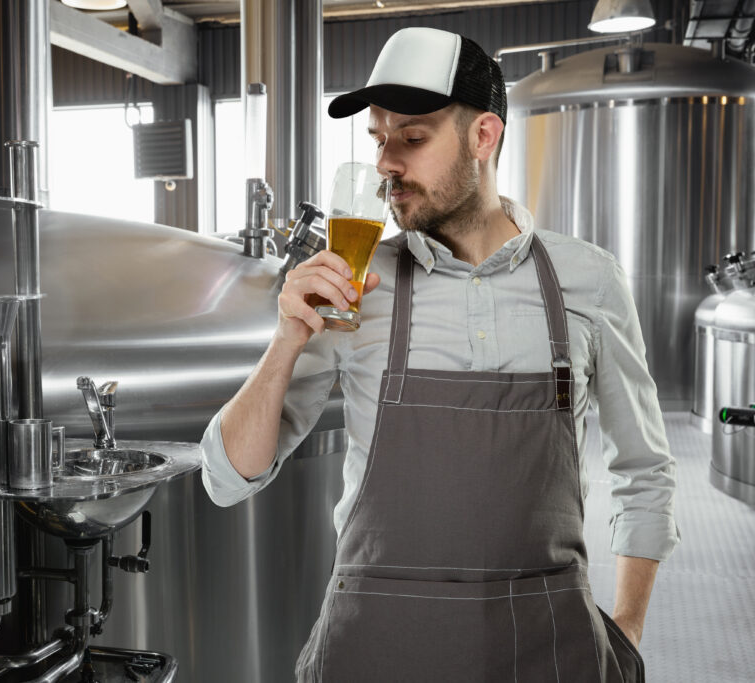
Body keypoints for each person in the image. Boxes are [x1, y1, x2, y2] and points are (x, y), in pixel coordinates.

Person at [200, 26, 679, 682]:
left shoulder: (587, 279)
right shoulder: (354, 284)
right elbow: (228, 478)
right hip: (373, 649)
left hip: (547, 648)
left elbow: (645, 468)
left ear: (484, 136)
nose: (386, 163)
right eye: (378, 138)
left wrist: (624, 631)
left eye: (412, 137)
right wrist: (287, 337)